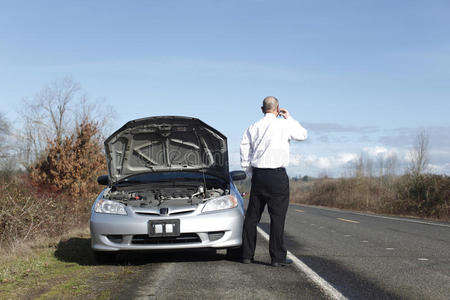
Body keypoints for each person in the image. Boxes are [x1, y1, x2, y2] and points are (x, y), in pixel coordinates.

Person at [240, 96, 307, 267]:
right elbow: (302, 135)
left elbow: (244, 149)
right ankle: (277, 258)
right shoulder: (284, 124)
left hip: (259, 175)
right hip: (277, 176)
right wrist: (289, 117)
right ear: (277, 109)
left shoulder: (253, 127)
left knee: (252, 217)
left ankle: (247, 255)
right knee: (277, 218)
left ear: (262, 109)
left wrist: (249, 171)